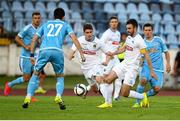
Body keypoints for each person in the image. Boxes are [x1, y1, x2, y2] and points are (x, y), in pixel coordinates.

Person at [22, 8, 85, 110]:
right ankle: (58, 96)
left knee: (35, 73)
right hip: (57, 51)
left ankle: (28, 97)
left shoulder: (46, 24)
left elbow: (34, 39)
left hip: (44, 50)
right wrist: (81, 54)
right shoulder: (65, 25)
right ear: (63, 17)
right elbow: (74, 39)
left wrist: (32, 55)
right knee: (60, 76)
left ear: (53, 16)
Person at [99, 19, 157, 108]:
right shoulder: (129, 38)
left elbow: (146, 55)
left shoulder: (139, 40)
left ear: (135, 28)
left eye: (129, 28)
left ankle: (142, 96)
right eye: (127, 28)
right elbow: (123, 48)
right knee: (107, 79)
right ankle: (108, 103)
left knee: (124, 93)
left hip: (132, 68)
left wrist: (151, 71)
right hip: (124, 64)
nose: (128, 31)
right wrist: (113, 53)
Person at [69, 23, 113, 108]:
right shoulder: (80, 40)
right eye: (87, 32)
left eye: (90, 32)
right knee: (95, 90)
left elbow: (109, 54)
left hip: (95, 65)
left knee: (99, 79)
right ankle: (104, 97)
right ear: (84, 33)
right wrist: (70, 56)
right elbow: (71, 51)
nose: (89, 34)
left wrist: (107, 61)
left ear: (93, 32)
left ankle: (108, 102)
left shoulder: (98, 42)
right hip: (85, 69)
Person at [4, 12, 46, 97]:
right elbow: (17, 38)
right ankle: (9, 85)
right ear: (32, 19)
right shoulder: (27, 28)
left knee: (37, 75)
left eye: (38, 18)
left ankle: (30, 96)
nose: (37, 20)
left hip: (34, 57)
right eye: (35, 18)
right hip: (26, 57)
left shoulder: (40, 29)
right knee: (26, 78)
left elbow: (39, 42)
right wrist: (25, 46)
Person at [132, 23, 171, 108]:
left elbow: (166, 52)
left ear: (152, 31)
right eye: (146, 30)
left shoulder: (159, 40)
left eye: (149, 30)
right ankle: (137, 103)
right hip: (146, 67)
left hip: (158, 70)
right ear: (143, 31)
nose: (147, 32)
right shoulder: (142, 43)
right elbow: (141, 57)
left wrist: (168, 63)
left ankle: (144, 96)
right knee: (143, 80)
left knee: (157, 89)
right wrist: (138, 67)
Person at [100, 16, 122, 102]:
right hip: (107, 58)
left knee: (119, 74)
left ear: (117, 23)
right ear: (109, 23)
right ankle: (105, 96)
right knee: (105, 78)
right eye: (112, 22)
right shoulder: (106, 33)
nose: (114, 23)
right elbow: (101, 45)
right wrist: (107, 54)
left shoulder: (118, 33)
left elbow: (115, 45)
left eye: (115, 22)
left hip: (115, 57)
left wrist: (118, 48)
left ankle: (116, 95)